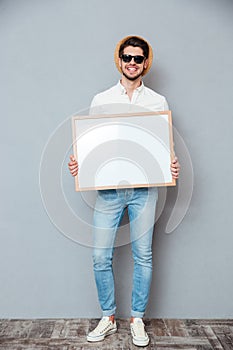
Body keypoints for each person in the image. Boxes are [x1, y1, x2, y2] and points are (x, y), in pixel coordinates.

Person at [68, 35, 180, 347]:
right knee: (100, 256)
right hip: (109, 191)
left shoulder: (157, 102)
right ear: (119, 61)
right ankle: (108, 317)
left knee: (143, 255)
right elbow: (91, 146)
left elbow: (165, 148)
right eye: (127, 57)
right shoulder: (101, 99)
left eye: (138, 58)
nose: (132, 63)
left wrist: (172, 164)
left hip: (144, 191)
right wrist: (80, 164)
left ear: (146, 63)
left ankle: (137, 320)